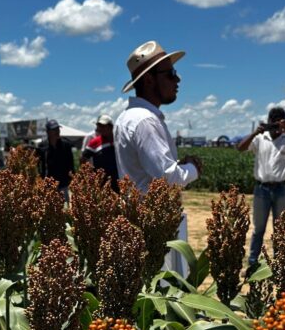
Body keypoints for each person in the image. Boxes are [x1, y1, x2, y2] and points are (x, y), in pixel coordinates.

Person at [115, 40, 202, 275]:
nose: (177, 80)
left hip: (143, 220)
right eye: (170, 74)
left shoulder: (129, 117)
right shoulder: (145, 121)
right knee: (162, 293)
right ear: (149, 80)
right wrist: (194, 168)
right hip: (153, 227)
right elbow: (167, 178)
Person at [236, 106, 285, 267]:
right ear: (268, 122)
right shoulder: (260, 138)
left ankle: (279, 263)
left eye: (279, 123)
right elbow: (240, 148)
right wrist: (255, 132)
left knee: (281, 229)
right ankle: (253, 262)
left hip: (282, 189)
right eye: (273, 123)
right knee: (258, 229)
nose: (276, 127)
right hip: (261, 188)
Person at [38, 120, 75, 198]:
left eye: (58, 129)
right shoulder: (42, 146)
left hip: (63, 183)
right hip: (48, 185)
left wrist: (72, 179)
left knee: (65, 208)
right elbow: (40, 165)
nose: (57, 131)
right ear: (48, 132)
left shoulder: (66, 145)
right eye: (54, 130)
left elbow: (71, 164)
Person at [81, 114, 120, 186]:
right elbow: (83, 158)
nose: (100, 128)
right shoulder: (95, 142)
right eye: (99, 126)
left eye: (103, 126)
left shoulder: (119, 139)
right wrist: (89, 174)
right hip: (102, 181)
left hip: (119, 179)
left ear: (111, 127)